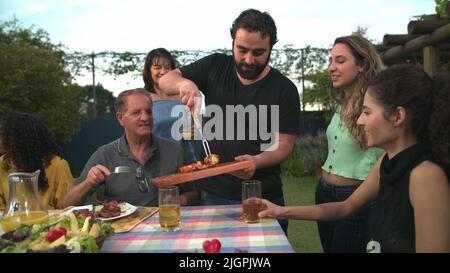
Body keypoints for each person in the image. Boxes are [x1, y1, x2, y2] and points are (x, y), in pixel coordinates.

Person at [259, 64, 450, 253]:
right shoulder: (386, 162)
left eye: (367, 112)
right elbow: (346, 207)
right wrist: (280, 211)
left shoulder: (425, 176)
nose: (359, 121)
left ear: (397, 116)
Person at [159, 9, 300, 234]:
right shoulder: (215, 66)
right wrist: (184, 84)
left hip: (263, 197)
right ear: (232, 42)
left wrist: (256, 161)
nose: (248, 59)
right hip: (215, 195)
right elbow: (166, 80)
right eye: (242, 50)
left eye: (258, 52)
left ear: (271, 47)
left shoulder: (285, 90)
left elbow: (284, 144)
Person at [310, 35, 385, 252]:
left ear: (361, 65)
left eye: (340, 61)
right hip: (324, 192)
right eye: (331, 61)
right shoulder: (341, 104)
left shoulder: (377, 105)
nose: (332, 68)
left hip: (356, 198)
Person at [63, 88, 198, 207]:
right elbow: (67, 203)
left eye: (148, 112)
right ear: (121, 118)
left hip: (163, 226)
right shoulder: (104, 155)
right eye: (136, 113)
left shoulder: (174, 151)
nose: (145, 117)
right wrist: (88, 183)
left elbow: (195, 194)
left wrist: (179, 200)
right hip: (120, 231)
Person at [0, 112, 73, 209]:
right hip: (12, 222)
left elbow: (67, 207)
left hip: (51, 222)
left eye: (2, 135)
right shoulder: (3, 162)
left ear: (20, 138)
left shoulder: (58, 165)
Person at [143, 48, 199, 163]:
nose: (163, 72)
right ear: (148, 71)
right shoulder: (142, 97)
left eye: (167, 67)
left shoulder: (182, 95)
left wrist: (192, 134)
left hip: (186, 162)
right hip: (156, 163)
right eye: (157, 67)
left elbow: (189, 133)